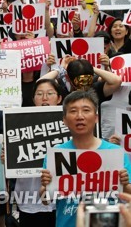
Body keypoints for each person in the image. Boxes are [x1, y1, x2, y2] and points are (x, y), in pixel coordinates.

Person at [40, 90, 131, 227]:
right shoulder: (56, 154)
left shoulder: (115, 152)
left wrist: (124, 184)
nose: (80, 116)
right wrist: (46, 186)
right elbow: (45, 200)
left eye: (86, 110)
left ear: (96, 118)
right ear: (64, 120)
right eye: (73, 111)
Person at [14, 79, 63, 227]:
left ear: (59, 98)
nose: (44, 98)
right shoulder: (18, 122)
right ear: (33, 98)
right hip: (29, 198)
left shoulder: (69, 122)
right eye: (39, 94)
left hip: (60, 200)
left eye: (50, 93)